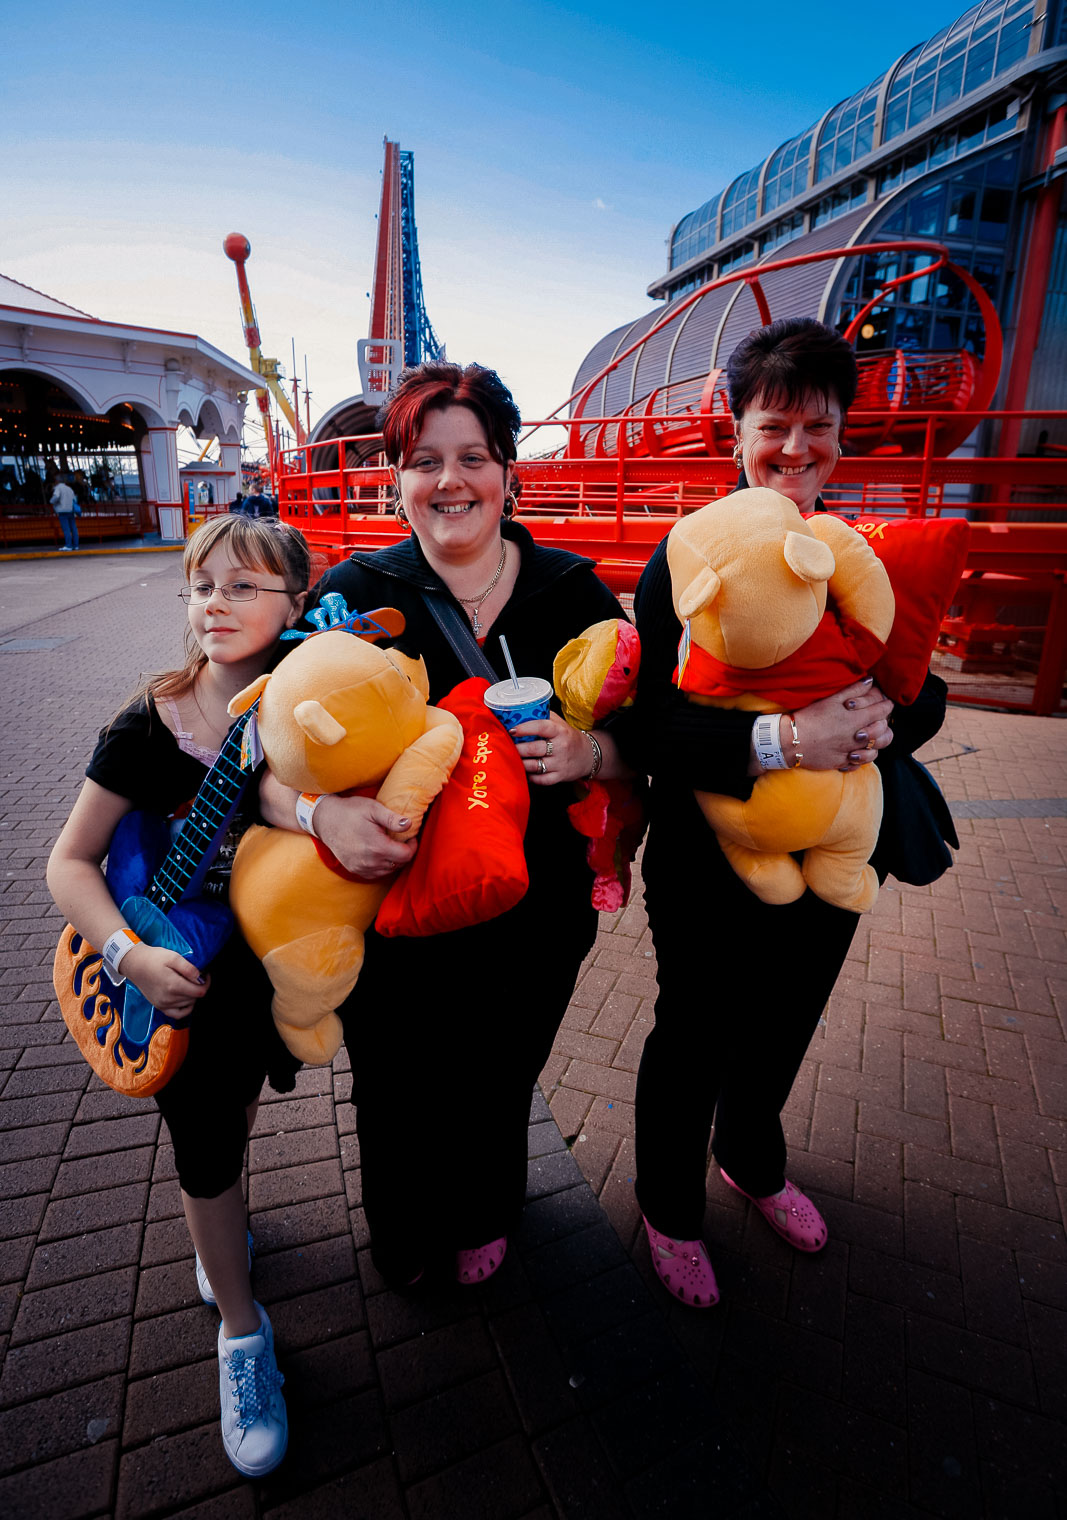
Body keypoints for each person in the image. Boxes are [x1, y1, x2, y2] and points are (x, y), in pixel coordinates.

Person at [260, 360, 636, 1288]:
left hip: (538, 899)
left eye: (473, 457)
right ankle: (403, 1230)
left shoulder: (572, 590)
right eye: (424, 460)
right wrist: (318, 814)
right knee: (393, 1082)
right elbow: (254, 758)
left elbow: (647, 738)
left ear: (509, 472)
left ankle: (485, 1206)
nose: (450, 481)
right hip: (391, 906)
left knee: (502, 1071)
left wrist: (594, 757)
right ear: (396, 479)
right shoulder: (351, 599)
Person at [631, 317, 947, 1307]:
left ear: (841, 436)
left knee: (784, 1021)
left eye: (818, 427)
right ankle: (664, 1206)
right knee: (691, 1030)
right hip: (704, 852)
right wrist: (782, 738)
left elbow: (919, 684)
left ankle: (751, 1161)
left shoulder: (857, 549)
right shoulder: (688, 557)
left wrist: (880, 712)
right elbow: (646, 730)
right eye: (774, 425)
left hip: (833, 847)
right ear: (734, 431)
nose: (795, 450)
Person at [47, 514, 311, 1475]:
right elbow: (68, 863)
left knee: (236, 1110)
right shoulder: (146, 723)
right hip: (170, 977)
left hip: (266, 978)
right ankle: (242, 1335)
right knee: (202, 1144)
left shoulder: (299, 710)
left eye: (244, 587)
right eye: (204, 585)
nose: (216, 603)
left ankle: (227, 1231)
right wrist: (125, 956)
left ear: (293, 606)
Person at [50, 477, 79, 551]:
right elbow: (74, 499)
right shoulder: (69, 489)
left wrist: (51, 501)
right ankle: (76, 545)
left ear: (56, 481)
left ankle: (68, 545)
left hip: (62, 511)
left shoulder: (58, 488)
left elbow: (56, 496)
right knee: (73, 528)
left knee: (66, 529)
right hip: (70, 510)